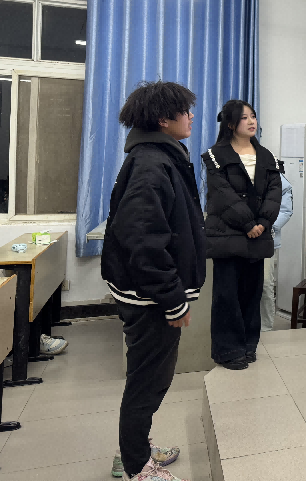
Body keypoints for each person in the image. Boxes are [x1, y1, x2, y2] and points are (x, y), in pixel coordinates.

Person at [102, 81, 205, 481]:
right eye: (184, 110)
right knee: (147, 383)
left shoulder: (157, 157)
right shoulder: (151, 164)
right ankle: (135, 466)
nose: (191, 116)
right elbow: (143, 239)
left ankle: (135, 449)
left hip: (148, 294)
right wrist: (172, 299)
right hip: (150, 298)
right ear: (163, 119)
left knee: (148, 379)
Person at [202, 100, 283, 369]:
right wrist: (248, 223)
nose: (251, 122)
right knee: (227, 296)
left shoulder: (266, 156)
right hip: (228, 233)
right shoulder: (215, 155)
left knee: (252, 293)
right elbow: (222, 194)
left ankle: (248, 346)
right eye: (244, 117)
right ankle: (228, 351)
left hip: (258, 234)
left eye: (253, 116)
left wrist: (263, 222)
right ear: (230, 124)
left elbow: (274, 192)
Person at [261, 174, 293, 332]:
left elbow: (285, 210)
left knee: (265, 283)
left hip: (266, 238)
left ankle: (265, 327)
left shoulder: (275, 175)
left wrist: (266, 227)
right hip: (238, 239)